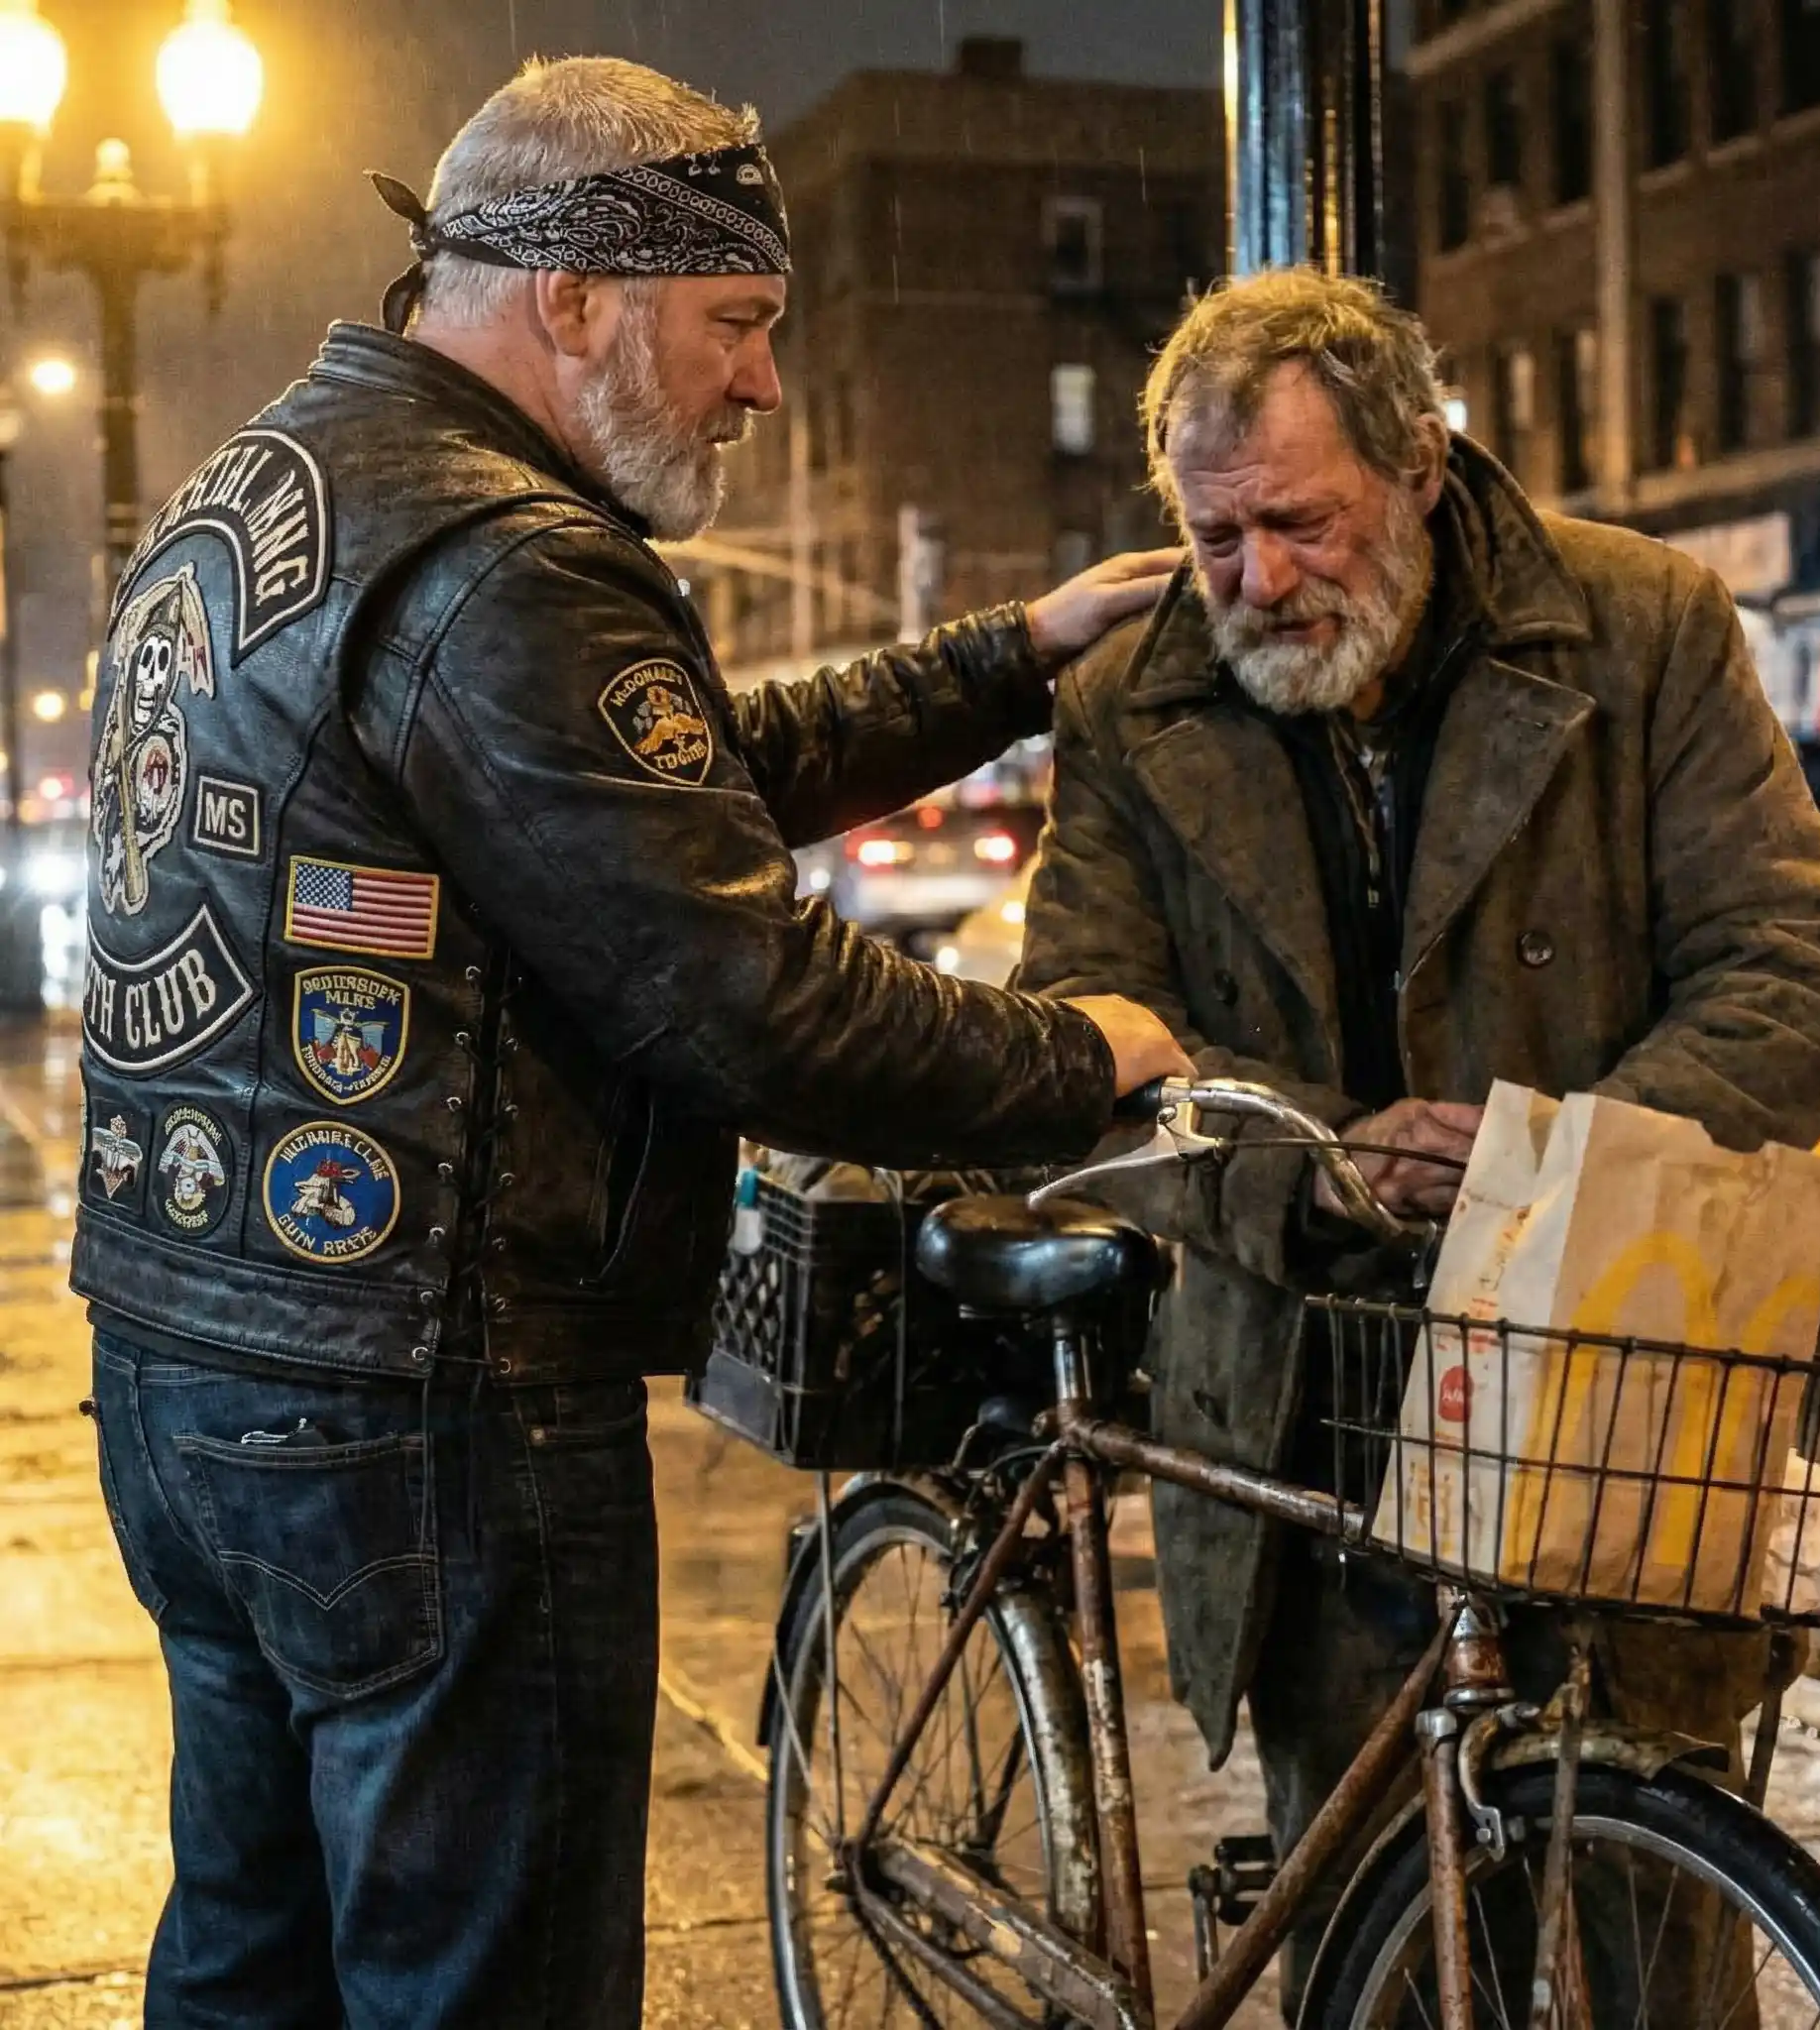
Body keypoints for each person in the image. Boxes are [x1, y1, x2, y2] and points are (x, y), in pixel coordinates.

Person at [76, 56, 1191, 2029]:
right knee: (489, 1989)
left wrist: (1006, 660)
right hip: (429, 1399)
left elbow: (656, 791)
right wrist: (1083, 1054)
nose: (762, 384)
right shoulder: (513, 557)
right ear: (573, 297)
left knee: (251, 1970)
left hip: (193, 1357)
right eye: (734, 323)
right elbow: (746, 997)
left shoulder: (265, 484)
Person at [1017, 269, 1820, 2016]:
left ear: (1419, 464)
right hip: (1306, 1416)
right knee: (1370, 1953)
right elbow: (1086, 1034)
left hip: (1612, 1393)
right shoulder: (1129, 699)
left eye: (1301, 524)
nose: (1258, 580)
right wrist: (1323, 1163)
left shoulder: (1643, 625)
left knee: (1656, 1955)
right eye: (1214, 535)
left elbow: (1794, 978)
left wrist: (1548, 1167)